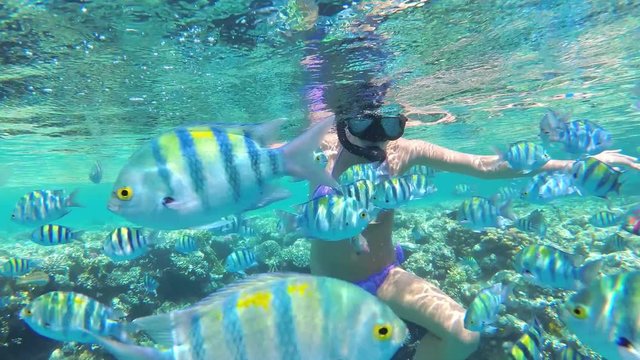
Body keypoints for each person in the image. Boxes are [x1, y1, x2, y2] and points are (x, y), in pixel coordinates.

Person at [291, 2, 640, 360]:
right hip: (329, 289)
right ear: (344, 119)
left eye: (391, 125)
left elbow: (485, 165)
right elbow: (251, 155)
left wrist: (578, 164)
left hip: (385, 277)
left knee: (465, 333)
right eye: (365, 124)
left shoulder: (405, 151)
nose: (380, 137)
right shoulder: (318, 148)